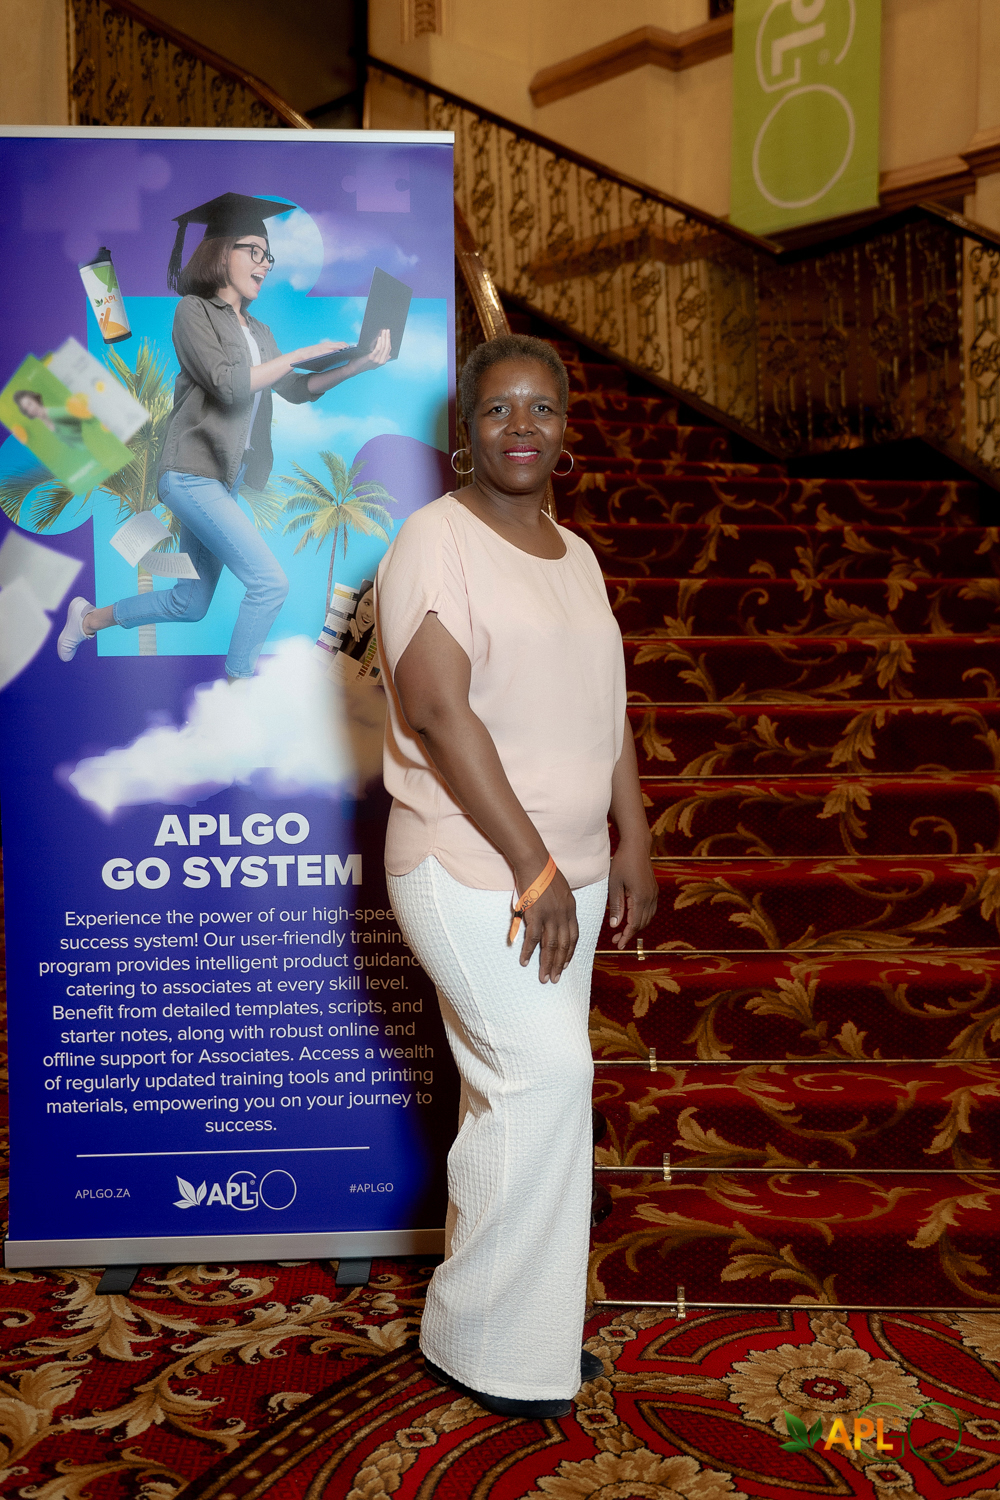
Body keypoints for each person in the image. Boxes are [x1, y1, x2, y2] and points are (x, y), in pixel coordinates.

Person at [374, 332, 658, 1420]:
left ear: (568, 430)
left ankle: (505, 1336)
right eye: (499, 409)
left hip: (567, 870)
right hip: (470, 863)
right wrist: (534, 866)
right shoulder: (433, 540)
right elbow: (439, 713)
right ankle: (490, 1343)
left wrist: (632, 832)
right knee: (545, 1079)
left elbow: (604, 707)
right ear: (467, 432)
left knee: (514, 1095)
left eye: (542, 407)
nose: (522, 426)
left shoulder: (576, 554)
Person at [57, 192, 391, 680]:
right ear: (221, 252)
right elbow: (228, 385)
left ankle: (88, 620)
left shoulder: (260, 330)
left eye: (268, 255)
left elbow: (296, 390)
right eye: (254, 250)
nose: (265, 263)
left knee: (190, 603)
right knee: (270, 584)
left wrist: (359, 365)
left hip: (222, 480)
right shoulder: (193, 312)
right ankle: (238, 689)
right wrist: (300, 353)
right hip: (189, 472)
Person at [13, 390, 87, 448]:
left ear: (35, 400)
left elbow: (82, 413)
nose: (31, 409)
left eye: (30, 404)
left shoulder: (54, 413)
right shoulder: (45, 421)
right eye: (26, 409)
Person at [341, 584, 375, 661]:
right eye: (367, 603)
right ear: (358, 602)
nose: (369, 613)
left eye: (376, 609)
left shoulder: (371, 643)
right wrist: (342, 623)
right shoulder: (342, 627)